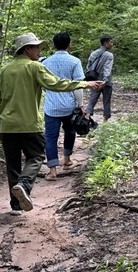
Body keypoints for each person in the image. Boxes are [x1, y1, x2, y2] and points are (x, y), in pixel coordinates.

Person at [0, 33, 105, 215]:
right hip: (29, 123)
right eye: (36, 47)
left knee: (12, 164)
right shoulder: (34, 67)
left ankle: (16, 205)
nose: (39, 51)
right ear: (27, 49)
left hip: (7, 124)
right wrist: (85, 84)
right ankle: (23, 184)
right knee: (36, 156)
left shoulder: (6, 70)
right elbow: (57, 84)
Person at [42, 31, 85, 181]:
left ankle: (53, 170)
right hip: (69, 106)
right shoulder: (75, 61)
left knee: (50, 137)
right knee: (70, 131)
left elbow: (43, 85)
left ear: (54, 45)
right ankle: (66, 160)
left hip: (51, 107)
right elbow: (77, 85)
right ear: (69, 45)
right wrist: (81, 105)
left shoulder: (45, 62)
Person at [86, 35, 114, 122]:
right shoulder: (109, 55)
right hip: (106, 82)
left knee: (92, 100)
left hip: (95, 80)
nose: (112, 44)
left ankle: (86, 117)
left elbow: (88, 66)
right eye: (111, 42)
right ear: (106, 43)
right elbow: (107, 68)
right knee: (106, 101)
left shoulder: (93, 53)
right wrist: (105, 80)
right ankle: (105, 121)